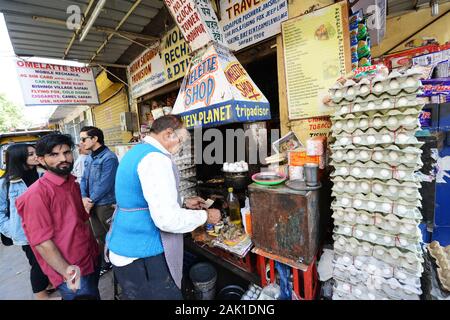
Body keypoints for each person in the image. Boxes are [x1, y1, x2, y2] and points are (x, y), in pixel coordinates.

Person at [106, 115, 221, 300]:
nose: (181, 145)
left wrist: (183, 201)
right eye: (181, 139)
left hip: (124, 246)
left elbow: (142, 197)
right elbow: (168, 220)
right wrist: (205, 216)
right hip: (142, 254)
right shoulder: (156, 159)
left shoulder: (138, 152)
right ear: (168, 133)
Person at [16, 134, 100, 300]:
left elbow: (82, 221)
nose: (63, 158)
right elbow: (42, 243)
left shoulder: (72, 183)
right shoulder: (36, 195)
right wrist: (68, 273)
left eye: (67, 152)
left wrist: (96, 251)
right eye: (54, 155)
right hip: (71, 270)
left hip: (90, 260)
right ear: (41, 160)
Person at [0, 143, 53, 300]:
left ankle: (47, 284)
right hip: (26, 232)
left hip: (46, 226)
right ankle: (41, 295)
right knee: (38, 263)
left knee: (49, 259)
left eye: (35, 152)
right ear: (19, 158)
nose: (35, 156)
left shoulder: (41, 174)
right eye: (30, 154)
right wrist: (11, 229)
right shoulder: (6, 183)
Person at [79, 126, 118, 276]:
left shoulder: (109, 157)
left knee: (113, 233)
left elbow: (106, 183)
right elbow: (84, 179)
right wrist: (83, 197)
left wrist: (90, 200)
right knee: (100, 236)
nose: (81, 142)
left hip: (105, 204)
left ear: (95, 139)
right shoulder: (89, 157)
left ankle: (119, 262)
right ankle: (107, 262)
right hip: (92, 204)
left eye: (84, 139)